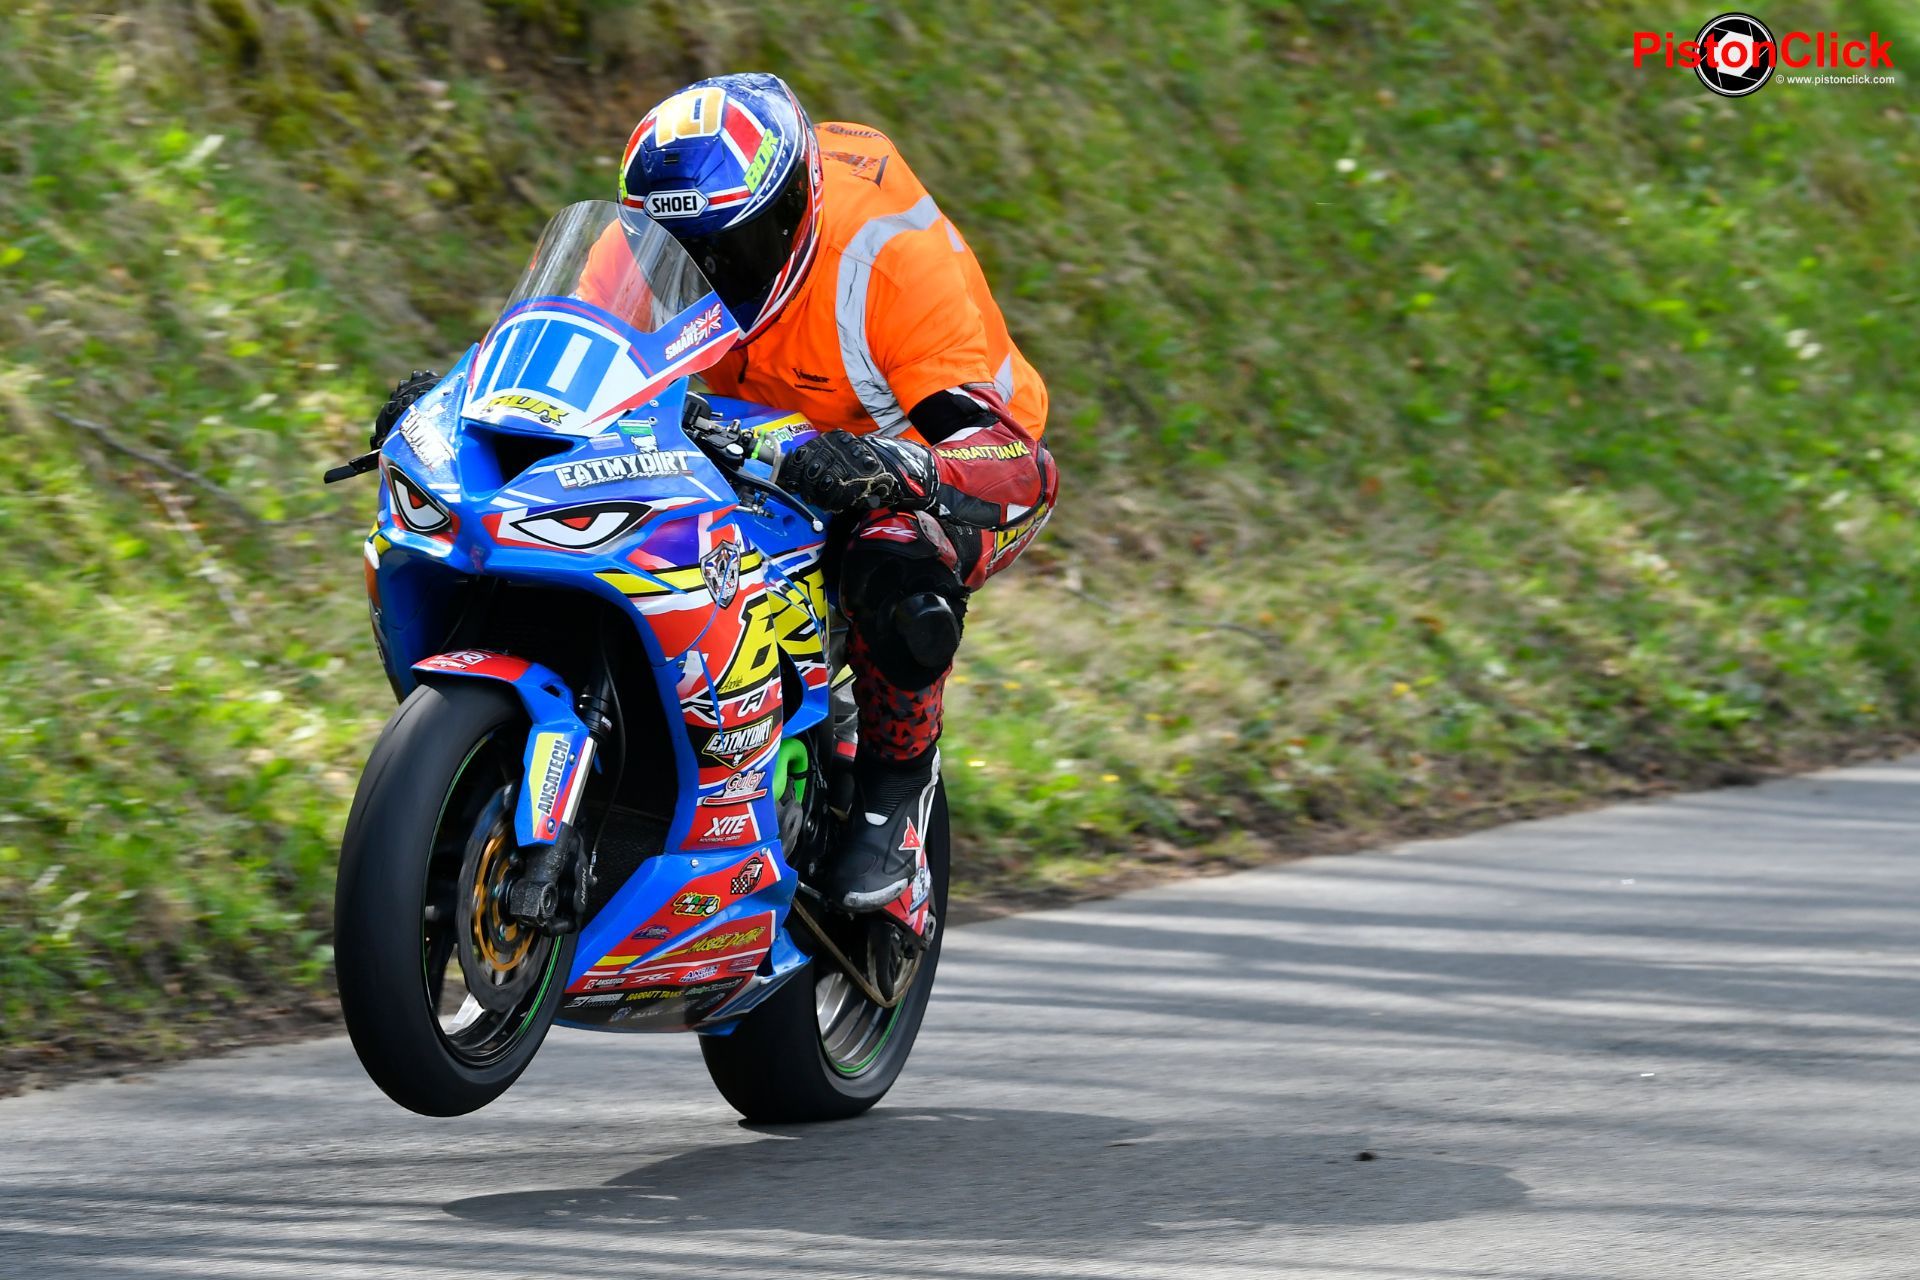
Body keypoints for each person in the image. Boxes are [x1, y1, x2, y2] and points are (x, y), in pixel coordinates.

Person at [374, 72, 1057, 913]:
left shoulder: (886, 260)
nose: (702, 270)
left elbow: (1012, 461)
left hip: (945, 455)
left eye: (730, 249)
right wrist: (454, 397)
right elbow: (564, 369)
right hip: (748, 437)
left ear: (792, 214)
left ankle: (895, 794)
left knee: (894, 556)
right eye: (679, 246)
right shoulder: (640, 241)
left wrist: (905, 469)